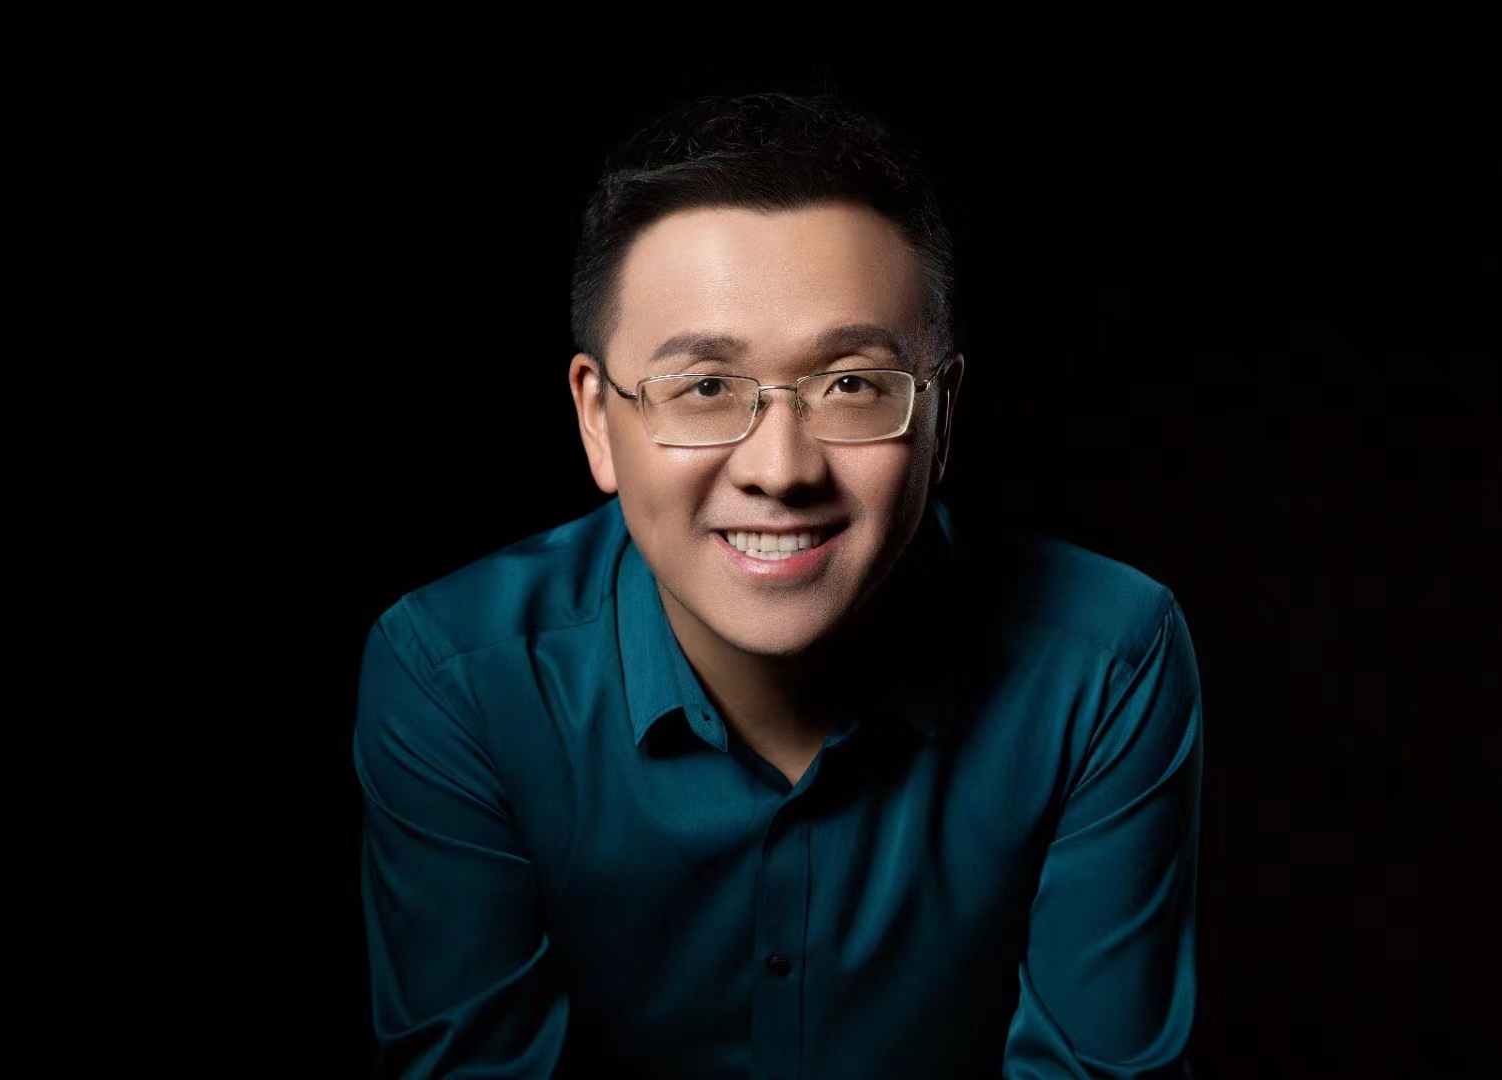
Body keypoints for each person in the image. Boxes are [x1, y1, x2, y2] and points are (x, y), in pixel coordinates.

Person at [354, 92, 1203, 1079]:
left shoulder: (1105, 664)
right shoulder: (456, 677)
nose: (781, 470)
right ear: (597, 420)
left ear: (943, 416)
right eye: (706, 388)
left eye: (852, 384)